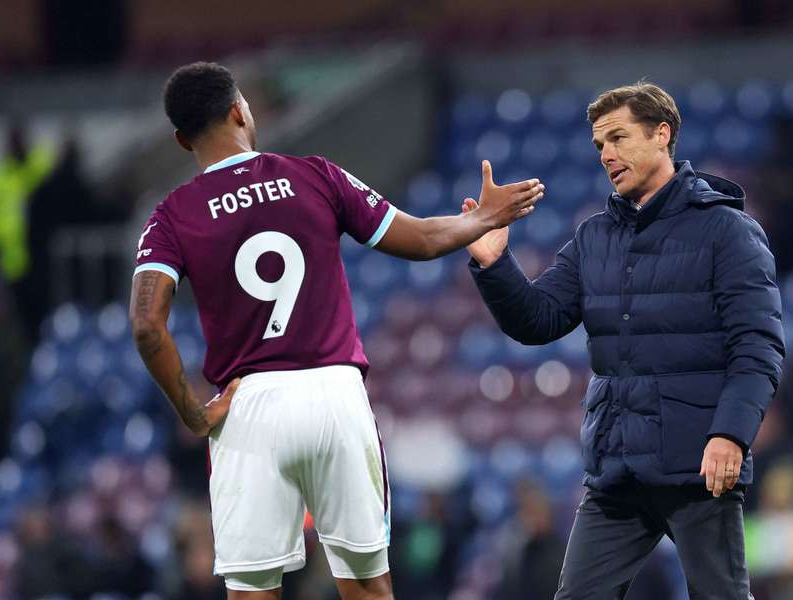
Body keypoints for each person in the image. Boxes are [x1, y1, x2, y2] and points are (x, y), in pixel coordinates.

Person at [128, 61, 544, 600]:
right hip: (333, 393)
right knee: (368, 587)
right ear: (239, 111)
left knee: (252, 592)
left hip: (246, 408)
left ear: (183, 140)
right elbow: (421, 239)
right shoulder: (315, 175)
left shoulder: (171, 215)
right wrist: (482, 218)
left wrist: (191, 412)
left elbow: (147, 326)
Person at [463, 82, 785, 598]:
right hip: (617, 468)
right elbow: (537, 321)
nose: (606, 155)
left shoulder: (728, 231)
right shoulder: (594, 237)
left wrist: (731, 434)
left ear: (662, 135)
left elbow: (758, 347)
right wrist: (494, 263)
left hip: (698, 465)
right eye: (599, 145)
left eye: (617, 138)